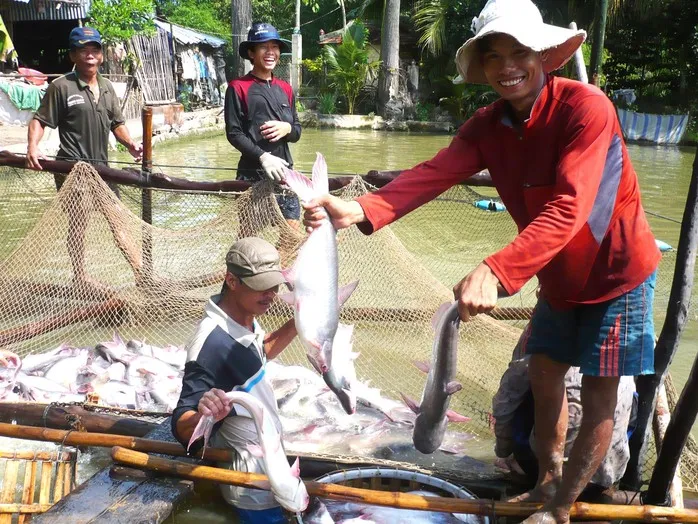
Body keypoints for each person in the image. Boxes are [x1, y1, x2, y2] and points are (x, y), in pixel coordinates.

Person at [302, 0, 660, 522]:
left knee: (602, 399)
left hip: (617, 275)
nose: (507, 66)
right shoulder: (487, 124)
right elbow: (435, 171)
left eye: (520, 52)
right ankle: (546, 481)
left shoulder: (587, 108)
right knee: (543, 375)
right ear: (483, 66)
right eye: (494, 56)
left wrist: (495, 270)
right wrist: (360, 207)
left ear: (544, 55)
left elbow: (571, 207)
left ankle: (560, 509)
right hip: (556, 277)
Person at [172, 237, 298, 524]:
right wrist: (205, 412)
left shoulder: (244, 316)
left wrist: (300, 320)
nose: (271, 294)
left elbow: (258, 355)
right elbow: (181, 425)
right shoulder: (211, 343)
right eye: (260, 286)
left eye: (275, 285)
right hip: (250, 486)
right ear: (232, 280)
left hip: (271, 466)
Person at [25, 27, 143, 287]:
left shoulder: (108, 87)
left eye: (95, 49)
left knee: (118, 219)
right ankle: (79, 276)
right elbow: (39, 120)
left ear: (101, 55)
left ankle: (140, 274)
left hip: (104, 170)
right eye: (83, 50)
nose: (90, 54)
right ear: (73, 56)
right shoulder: (61, 86)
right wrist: (32, 147)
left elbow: (117, 124)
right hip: (73, 170)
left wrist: (131, 144)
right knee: (79, 224)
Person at [492, 326, 636, 500]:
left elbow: (508, 397)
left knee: (527, 389)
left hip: (548, 470)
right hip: (610, 470)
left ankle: (528, 471)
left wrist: (503, 450)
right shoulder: (623, 331)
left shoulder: (544, 328)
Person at [225, 22, 302, 236]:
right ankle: (240, 270)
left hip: (285, 175)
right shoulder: (238, 87)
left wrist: (287, 128)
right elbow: (234, 133)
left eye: (275, 47)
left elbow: (297, 131)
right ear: (251, 52)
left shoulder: (285, 88)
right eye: (263, 47)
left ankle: (273, 270)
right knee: (248, 241)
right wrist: (262, 156)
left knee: (292, 236)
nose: (271, 52)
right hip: (252, 176)